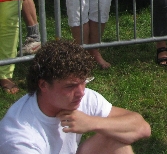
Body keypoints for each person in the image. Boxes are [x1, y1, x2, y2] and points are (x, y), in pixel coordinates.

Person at [0, 39, 151, 153]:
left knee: (114, 139)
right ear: (43, 85)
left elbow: (142, 128)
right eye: (70, 86)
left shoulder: (79, 98)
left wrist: (92, 123)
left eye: (83, 81)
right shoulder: (20, 139)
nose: (81, 92)